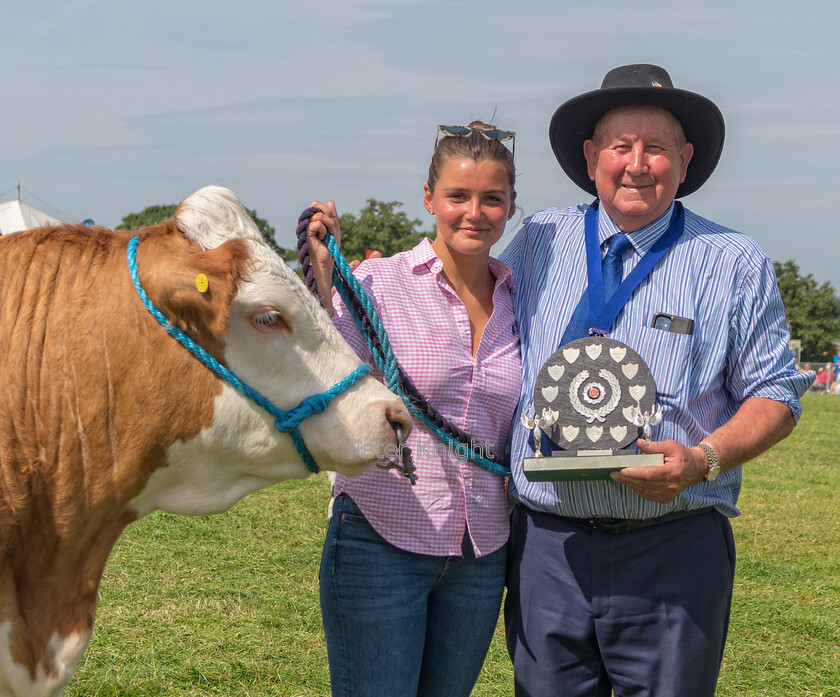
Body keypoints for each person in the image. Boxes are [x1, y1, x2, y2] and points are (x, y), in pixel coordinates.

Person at [500, 64, 814, 697]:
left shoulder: (732, 261)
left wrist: (703, 458)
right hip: (546, 550)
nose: (637, 164)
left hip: (672, 549)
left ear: (685, 158)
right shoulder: (539, 240)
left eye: (657, 148)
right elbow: (468, 319)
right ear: (592, 157)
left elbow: (777, 393)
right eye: (621, 146)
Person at [304, 121, 522, 697]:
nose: (474, 212)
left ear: (511, 206)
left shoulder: (521, 300)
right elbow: (313, 370)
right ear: (430, 199)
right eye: (458, 196)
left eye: (491, 198)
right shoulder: (375, 284)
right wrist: (321, 281)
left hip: (482, 553)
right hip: (381, 542)